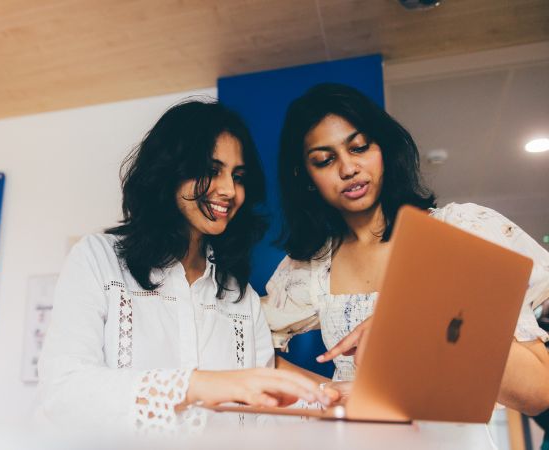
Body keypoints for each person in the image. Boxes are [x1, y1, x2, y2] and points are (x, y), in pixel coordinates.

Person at [36, 99, 335, 434]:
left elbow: (261, 419)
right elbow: (63, 393)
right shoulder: (97, 259)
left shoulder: (241, 297)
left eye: (238, 176)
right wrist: (195, 386)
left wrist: (338, 397)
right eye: (211, 171)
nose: (228, 190)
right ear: (168, 171)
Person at [262, 83, 549, 416]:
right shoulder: (311, 269)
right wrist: (325, 393)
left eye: (359, 147)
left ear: (382, 146)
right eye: (325, 160)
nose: (348, 168)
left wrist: (425, 320)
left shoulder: (461, 231)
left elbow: (540, 392)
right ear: (307, 177)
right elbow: (244, 346)